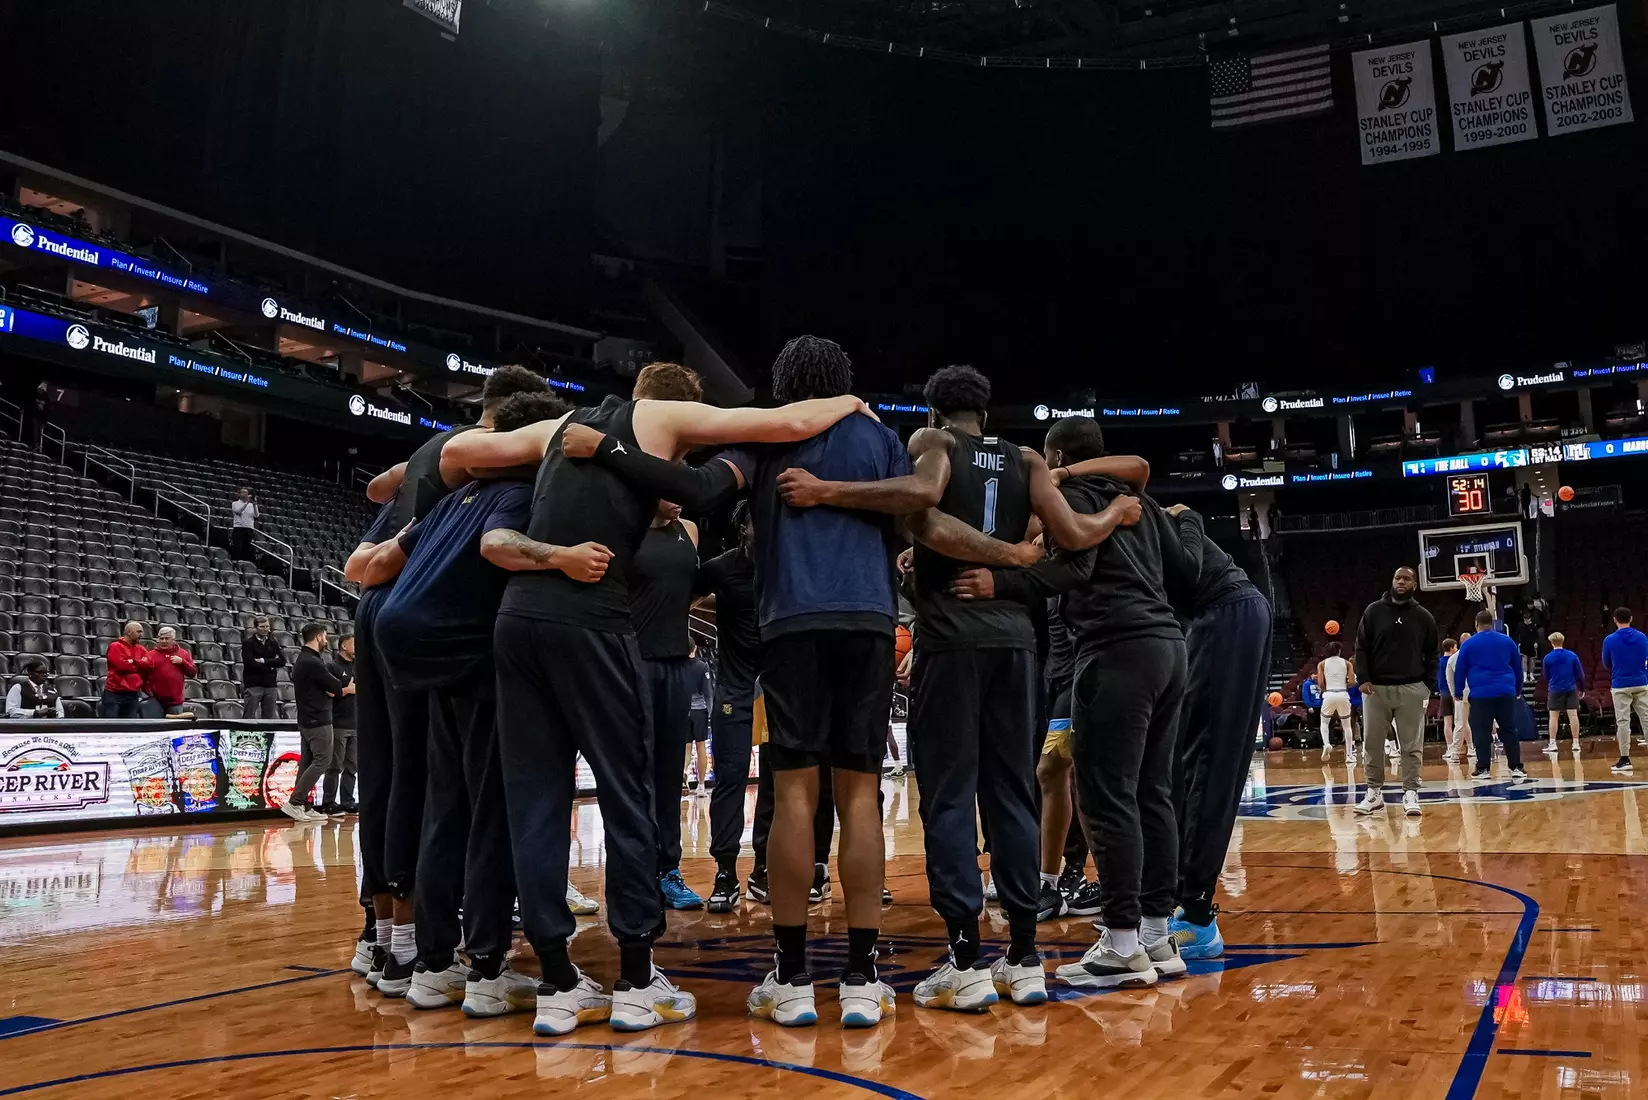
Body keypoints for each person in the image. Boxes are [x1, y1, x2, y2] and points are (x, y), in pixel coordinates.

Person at [442, 355, 883, 1035]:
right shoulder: (659, 415)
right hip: (592, 623)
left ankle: (558, 983)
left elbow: (464, 453)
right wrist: (849, 402)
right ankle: (637, 980)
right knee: (629, 798)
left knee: (533, 800)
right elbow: (786, 423)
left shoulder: (559, 425)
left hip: (517, 622)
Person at [775, 367, 1142, 1013]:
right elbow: (1079, 538)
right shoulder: (1028, 458)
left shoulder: (933, 444)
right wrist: (1115, 510)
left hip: (952, 644)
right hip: (1017, 648)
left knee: (948, 798)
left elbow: (923, 502)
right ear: (987, 410)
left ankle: (966, 960)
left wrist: (830, 491)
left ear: (938, 412)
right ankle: (1025, 959)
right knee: (1013, 794)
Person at [954, 415, 1198, 991]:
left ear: (1054, 455)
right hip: (1169, 648)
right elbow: (1183, 575)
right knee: (1152, 793)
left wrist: (1002, 583)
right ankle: (1158, 936)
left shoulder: (1068, 495)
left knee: (1107, 798)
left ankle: (1119, 944)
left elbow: (1076, 568)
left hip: (1115, 654)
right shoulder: (1138, 498)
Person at [349, 365, 553, 989]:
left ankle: (383, 937)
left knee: (391, 779)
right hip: (443, 624)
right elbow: (498, 546)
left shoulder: (435, 459)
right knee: (440, 787)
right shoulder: (493, 473)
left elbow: (375, 500)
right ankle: (426, 949)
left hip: (384, 604)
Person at [631, 499, 706, 911]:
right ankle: (634, 875)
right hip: (632, 664)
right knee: (632, 776)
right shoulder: (625, 525)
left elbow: (688, 591)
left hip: (677, 662)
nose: (680, 495)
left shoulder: (689, 531)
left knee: (668, 775)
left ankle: (668, 872)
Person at [692, 504, 762, 911]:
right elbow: (683, 598)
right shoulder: (719, 568)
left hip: (779, 688)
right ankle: (724, 871)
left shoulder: (789, 565)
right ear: (741, 528)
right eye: (758, 521)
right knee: (730, 781)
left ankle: (766, 867)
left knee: (779, 783)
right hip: (734, 689)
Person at [1352, 567, 1439, 816]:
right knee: (1372, 742)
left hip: (1412, 688)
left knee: (1411, 745)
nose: (1401, 582)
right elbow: (1361, 647)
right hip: (1375, 689)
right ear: (1392, 581)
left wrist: (1427, 685)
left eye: (1407, 579)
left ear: (1415, 585)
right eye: (1397, 578)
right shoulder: (1373, 611)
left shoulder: (1423, 616)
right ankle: (1373, 793)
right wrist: (1363, 678)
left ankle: (1411, 792)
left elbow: (1432, 653)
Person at [284, 623, 351, 823]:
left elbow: (330, 688)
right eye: (325, 636)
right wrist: (340, 688)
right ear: (319, 637)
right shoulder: (312, 662)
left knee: (307, 762)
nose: (326, 639)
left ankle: (303, 804)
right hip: (318, 719)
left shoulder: (304, 659)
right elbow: (336, 686)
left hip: (307, 719)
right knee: (323, 760)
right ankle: (295, 802)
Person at [1452, 610, 1527, 783]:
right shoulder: (1507, 641)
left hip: (1481, 694)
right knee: (1509, 729)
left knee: (1481, 731)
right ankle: (1516, 767)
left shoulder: (1468, 644)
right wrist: (1517, 689)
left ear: (1476, 624)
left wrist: (1458, 692)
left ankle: (1483, 768)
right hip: (1505, 691)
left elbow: (1461, 670)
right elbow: (1517, 667)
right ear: (1492, 623)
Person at [1602, 607, 1648, 775]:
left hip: (1620, 684)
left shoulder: (1609, 640)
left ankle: (1625, 759)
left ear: (1615, 619)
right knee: (1647, 720)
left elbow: (1606, 663)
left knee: (1623, 722)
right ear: (1631, 618)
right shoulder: (1643, 637)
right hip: (1642, 682)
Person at [322, 633, 359, 814]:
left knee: (352, 766)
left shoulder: (358, 667)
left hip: (355, 723)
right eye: (354, 643)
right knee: (335, 766)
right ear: (344, 646)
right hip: (338, 723)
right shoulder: (332, 666)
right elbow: (328, 692)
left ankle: (348, 801)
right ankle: (328, 801)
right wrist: (347, 690)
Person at [1542, 632, 1585, 755]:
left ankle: (1553, 743)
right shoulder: (1572, 656)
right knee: (1573, 715)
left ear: (1551, 643)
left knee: (1553, 717)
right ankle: (1576, 743)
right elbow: (1580, 674)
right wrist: (1581, 688)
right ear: (1563, 641)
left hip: (1555, 689)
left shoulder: (1548, 658)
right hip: (1571, 688)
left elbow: (1545, 676)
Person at [99, 621, 150, 718]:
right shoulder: (115, 646)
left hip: (133, 694)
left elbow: (149, 666)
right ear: (129, 632)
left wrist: (133, 661)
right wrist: (139, 664)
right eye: (138, 632)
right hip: (114, 693)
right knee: (112, 726)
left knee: (130, 727)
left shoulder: (141, 649)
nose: (141, 635)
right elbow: (122, 666)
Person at [1316, 642, 1356, 764]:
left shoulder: (1322, 664)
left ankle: (1326, 743)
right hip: (1343, 694)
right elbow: (1353, 682)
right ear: (1339, 651)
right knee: (1347, 726)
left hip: (1329, 694)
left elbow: (1321, 684)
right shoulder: (1347, 663)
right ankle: (1349, 755)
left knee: (1324, 721)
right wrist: (1343, 685)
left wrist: (1328, 689)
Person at [145, 626, 197, 716]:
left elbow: (193, 673)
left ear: (173, 640)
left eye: (167, 638)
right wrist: (148, 692)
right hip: (155, 701)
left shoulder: (183, 653)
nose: (164, 641)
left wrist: (182, 662)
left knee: (175, 728)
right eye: (161, 638)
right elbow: (143, 675)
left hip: (175, 702)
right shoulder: (151, 655)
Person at [241, 617, 285, 719]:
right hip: (253, 684)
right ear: (255, 628)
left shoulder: (273, 643)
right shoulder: (248, 643)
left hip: (270, 685)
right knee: (249, 716)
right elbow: (250, 663)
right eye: (262, 627)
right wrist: (271, 666)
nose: (265, 629)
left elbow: (282, 661)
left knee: (269, 718)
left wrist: (263, 661)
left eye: (267, 626)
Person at [686, 650, 712, 798]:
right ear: (694, 649)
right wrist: (711, 712)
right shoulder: (702, 666)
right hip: (699, 711)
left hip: (683, 710)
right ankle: (701, 785)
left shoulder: (679, 666)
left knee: (686, 747)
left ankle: (684, 773)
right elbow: (708, 693)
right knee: (701, 746)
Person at [230, 486, 258, 561]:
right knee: (238, 548)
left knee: (246, 550)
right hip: (239, 529)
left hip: (249, 529)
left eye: (246, 492)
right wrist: (246, 503)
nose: (245, 494)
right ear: (239, 494)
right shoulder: (235, 503)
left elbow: (256, 515)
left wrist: (255, 505)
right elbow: (238, 511)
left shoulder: (251, 505)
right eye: (243, 492)